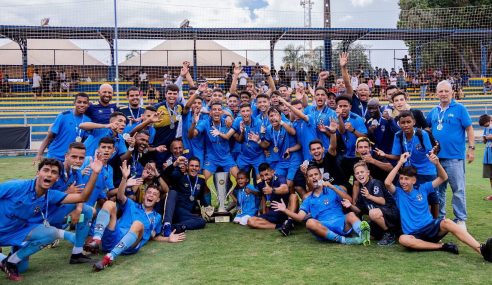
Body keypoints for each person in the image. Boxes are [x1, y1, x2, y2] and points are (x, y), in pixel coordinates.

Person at [0, 158, 103, 281]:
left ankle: (10, 262)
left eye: (54, 172)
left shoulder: (51, 195)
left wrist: (95, 173)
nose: (49, 174)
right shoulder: (17, 186)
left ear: (57, 178)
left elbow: (82, 197)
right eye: (46, 170)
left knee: (51, 234)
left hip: (16, 231)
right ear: (38, 173)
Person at [384, 153, 492, 262]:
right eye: (401, 178)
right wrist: (400, 163)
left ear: (414, 180)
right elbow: (387, 183)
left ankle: (482, 250)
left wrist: (437, 163)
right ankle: (442, 246)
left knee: (448, 222)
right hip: (414, 234)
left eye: (406, 179)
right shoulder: (398, 193)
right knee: (403, 239)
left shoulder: (423, 188)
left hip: (430, 227)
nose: (403, 182)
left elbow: (443, 177)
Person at [84, 161, 186, 271]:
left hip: (131, 246)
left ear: (157, 200)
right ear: (144, 195)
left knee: (138, 224)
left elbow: (154, 236)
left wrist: (168, 239)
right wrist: (124, 179)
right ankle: (96, 240)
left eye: (154, 194)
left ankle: (109, 257)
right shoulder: (132, 205)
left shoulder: (157, 217)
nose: (151, 195)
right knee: (109, 204)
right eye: (149, 192)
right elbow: (120, 196)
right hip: (113, 238)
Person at [272, 166, 371, 245]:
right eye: (311, 176)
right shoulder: (308, 200)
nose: (314, 177)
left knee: (351, 215)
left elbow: (349, 201)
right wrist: (285, 210)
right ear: (308, 180)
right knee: (309, 222)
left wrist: (332, 187)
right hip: (324, 228)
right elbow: (299, 218)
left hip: (341, 223)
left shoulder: (333, 188)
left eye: (316, 174)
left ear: (321, 176)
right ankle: (343, 240)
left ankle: (363, 235)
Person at [426, 80, 475, 229]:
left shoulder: (460, 108)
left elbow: (470, 128)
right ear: (436, 94)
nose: (443, 94)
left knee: (458, 189)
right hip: (436, 160)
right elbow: (427, 128)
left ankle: (460, 219)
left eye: (446, 91)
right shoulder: (433, 111)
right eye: (440, 91)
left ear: (452, 92)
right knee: (438, 190)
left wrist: (471, 148)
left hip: (454, 157)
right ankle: (441, 218)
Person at [344, 161, 399, 245]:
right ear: (355, 176)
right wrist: (350, 205)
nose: (360, 175)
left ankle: (390, 233)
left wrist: (369, 196)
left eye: (362, 172)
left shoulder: (375, 183)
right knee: (367, 229)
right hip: (380, 216)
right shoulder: (362, 189)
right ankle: (391, 232)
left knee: (372, 213)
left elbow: (382, 201)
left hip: (391, 213)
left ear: (368, 173)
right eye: (357, 173)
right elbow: (358, 209)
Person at [34, 93, 91, 163]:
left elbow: (84, 141)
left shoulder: (88, 120)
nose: (82, 105)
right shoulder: (63, 116)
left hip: (71, 159)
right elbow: (49, 136)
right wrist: (39, 154)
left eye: (85, 103)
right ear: (74, 103)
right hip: (55, 156)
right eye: (79, 102)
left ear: (88, 104)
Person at [161, 156, 210, 233]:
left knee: (202, 222)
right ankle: (168, 224)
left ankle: (176, 227)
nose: (194, 168)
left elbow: (200, 197)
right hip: (176, 211)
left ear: (199, 168)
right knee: (198, 220)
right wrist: (175, 163)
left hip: (187, 214)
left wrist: (207, 208)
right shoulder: (179, 177)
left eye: (196, 166)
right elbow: (165, 174)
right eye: (192, 165)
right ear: (187, 167)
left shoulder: (201, 181)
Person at [247, 163, 294, 236]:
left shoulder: (280, 178)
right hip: (272, 214)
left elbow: (285, 189)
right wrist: (263, 211)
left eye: (266, 174)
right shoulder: (261, 184)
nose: (265, 178)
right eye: (262, 176)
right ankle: (281, 226)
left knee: (293, 196)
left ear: (272, 172)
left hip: (285, 212)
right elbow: (263, 197)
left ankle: (289, 222)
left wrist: (272, 190)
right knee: (250, 221)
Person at [479, 114, 492, 201]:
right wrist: (484, 138)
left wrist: (487, 137)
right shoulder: (486, 129)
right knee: (490, 176)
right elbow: (484, 141)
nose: (486, 126)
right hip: (488, 155)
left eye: (486, 125)